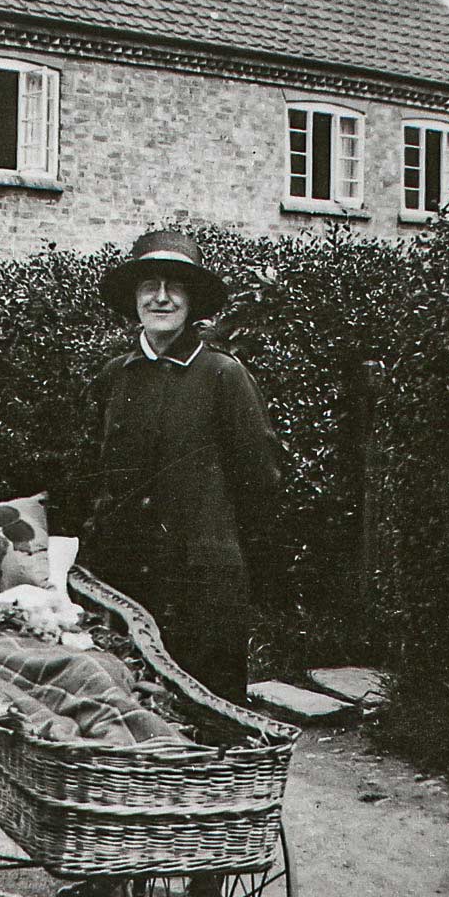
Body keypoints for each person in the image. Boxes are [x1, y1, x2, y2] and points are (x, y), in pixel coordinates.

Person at [0, 516, 188, 897]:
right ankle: (121, 762)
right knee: (36, 700)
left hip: (50, 645)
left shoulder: (24, 595)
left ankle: (141, 758)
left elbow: (74, 624)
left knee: (99, 669)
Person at [83, 228, 283, 706]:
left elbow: (260, 481)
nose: (161, 298)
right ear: (133, 299)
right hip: (128, 581)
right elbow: (97, 473)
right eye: (149, 286)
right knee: (132, 712)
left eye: (175, 287)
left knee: (210, 714)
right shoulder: (115, 376)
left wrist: (227, 555)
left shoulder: (222, 374)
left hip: (204, 586)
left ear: (192, 301)